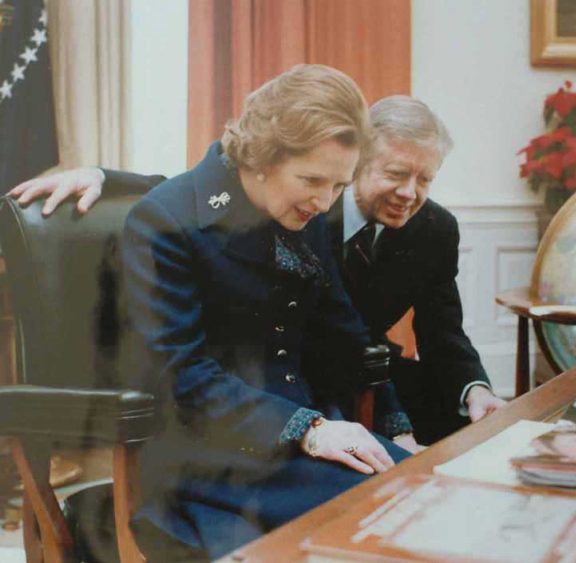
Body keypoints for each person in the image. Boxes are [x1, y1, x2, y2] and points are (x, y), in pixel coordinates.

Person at [38, 64, 416, 561]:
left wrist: (396, 428)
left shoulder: (303, 207)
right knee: (374, 526)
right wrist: (310, 429)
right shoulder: (165, 221)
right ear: (263, 156)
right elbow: (183, 377)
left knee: (418, 494)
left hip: (300, 442)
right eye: (312, 180)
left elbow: (346, 332)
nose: (324, 201)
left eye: (339, 186)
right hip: (203, 458)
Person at [12, 97, 507, 445]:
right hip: (270, 380)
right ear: (360, 161)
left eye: (426, 179)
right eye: (397, 174)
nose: (410, 193)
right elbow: (199, 192)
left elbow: (442, 329)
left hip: (356, 367)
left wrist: (474, 390)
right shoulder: (299, 199)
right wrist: (105, 176)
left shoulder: (433, 227)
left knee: (460, 441)